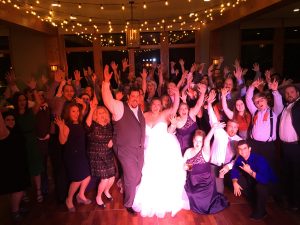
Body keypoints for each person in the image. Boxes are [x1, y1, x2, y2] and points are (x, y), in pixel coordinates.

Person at [132, 87, 189, 218]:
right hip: (149, 150)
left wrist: (176, 93)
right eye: (154, 104)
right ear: (150, 105)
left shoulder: (164, 115)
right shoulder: (145, 115)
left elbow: (175, 107)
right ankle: (149, 199)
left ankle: (164, 200)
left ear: (161, 106)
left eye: (158, 104)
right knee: (148, 174)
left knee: (162, 174)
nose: (156, 106)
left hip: (163, 149)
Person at [102, 65, 146, 215]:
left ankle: (127, 187)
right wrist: (106, 83)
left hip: (139, 150)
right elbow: (108, 101)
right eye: (132, 96)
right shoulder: (120, 107)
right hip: (125, 149)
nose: (135, 99)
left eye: (137, 96)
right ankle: (129, 203)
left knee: (138, 176)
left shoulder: (140, 109)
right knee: (132, 176)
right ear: (128, 97)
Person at [55, 103, 91, 212]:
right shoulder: (66, 125)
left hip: (81, 154)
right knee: (77, 180)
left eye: (77, 111)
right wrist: (61, 127)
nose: (76, 113)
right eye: (73, 111)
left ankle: (80, 195)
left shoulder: (79, 123)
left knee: (87, 177)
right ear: (68, 113)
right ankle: (69, 199)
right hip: (72, 156)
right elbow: (62, 141)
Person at [184, 128, 229, 214]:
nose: (197, 143)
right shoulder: (188, 151)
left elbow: (207, 140)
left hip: (206, 182)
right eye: (196, 140)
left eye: (200, 141)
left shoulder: (205, 152)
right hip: (192, 181)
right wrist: (186, 167)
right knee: (186, 192)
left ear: (203, 143)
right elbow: (184, 165)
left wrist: (214, 128)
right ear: (193, 140)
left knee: (193, 195)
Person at [231, 140, 277, 220]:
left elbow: (265, 180)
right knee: (238, 181)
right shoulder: (240, 159)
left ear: (249, 149)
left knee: (260, 187)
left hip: (269, 183)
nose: (242, 151)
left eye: (245, 148)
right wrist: (234, 182)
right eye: (240, 149)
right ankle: (254, 199)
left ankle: (261, 212)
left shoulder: (259, 159)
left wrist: (250, 171)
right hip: (254, 181)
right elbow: (235, 170)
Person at [207, 90, 242, 193]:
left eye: (235, 128)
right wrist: (209, 104)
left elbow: (238, 158)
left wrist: (229, 166)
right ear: (227, 126)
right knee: (210, 191)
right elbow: (212, 118)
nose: (232, 129)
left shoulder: (239, 140)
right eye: (230, 126)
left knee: (220, 192)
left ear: (237, 129)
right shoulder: (219, 131)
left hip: (226, 168)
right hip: (213, 165)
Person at [0, 111, 30, 221]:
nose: (11, 122)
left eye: (12, 119)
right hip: (10, 165)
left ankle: (15, 208)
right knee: (18, 189)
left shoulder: (17, 130)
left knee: (16, 189)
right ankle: (15, 211)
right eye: (7, 120)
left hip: (19, 163)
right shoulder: (4, 132)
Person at [86, 102, 116, 208]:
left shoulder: (108, 125)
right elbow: (86, 124)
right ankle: (98, 197)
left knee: (112, 177)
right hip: (97, 154)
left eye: (103, 112)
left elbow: (115, 134)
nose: (102, 114)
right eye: (99, 113)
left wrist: (112, 140)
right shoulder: (93, 125)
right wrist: (92, 109)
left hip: (107, 154)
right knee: (105, 178)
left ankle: (106, 191)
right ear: (95, 115)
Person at [278, 84, 300, 210]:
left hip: (295, 147)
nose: (289, 94)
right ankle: (289, 200)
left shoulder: (298, 106)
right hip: (285, 147)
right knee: (287, 174)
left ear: (297, 93)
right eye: (287, 93)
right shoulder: (286, 107)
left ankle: (295, 203)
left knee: (296, 176)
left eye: (292, 92)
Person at [168, 83, 206, 155]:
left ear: (188, 110)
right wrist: (173, 125)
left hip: (196, 146)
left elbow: (198, 104)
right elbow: (169, 132)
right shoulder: (177, 119)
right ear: (178, 111)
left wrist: (202, 94)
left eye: (185, 108)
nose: (183, 110)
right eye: (181, 109)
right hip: (182, 149)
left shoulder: (191, 114)